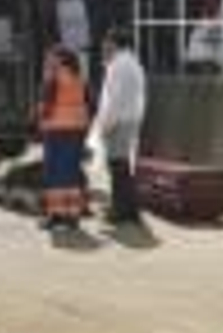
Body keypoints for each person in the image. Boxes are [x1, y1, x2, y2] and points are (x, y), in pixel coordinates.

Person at [93, 29, 146, 226]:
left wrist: (106, 124)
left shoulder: (118, 65)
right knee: (123, 167)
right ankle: (129, 209)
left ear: (114, 43)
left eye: (106, 42)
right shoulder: (132, 62)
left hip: (118, 120)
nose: (104, 46)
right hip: (130, 119)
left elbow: (114, 99)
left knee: (118, 168)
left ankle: (120, 210)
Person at [37, 46, 90, 232]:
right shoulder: (79, 79)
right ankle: (73, 215)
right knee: (70, 171)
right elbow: (89, 103)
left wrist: (39, 122)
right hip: (76, 129)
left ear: (60, 60)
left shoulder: (52, 78)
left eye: (52, 57)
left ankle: (55, 215)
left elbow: (45, 106)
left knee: (54, 173)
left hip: (55, 130)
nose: (48, 60)